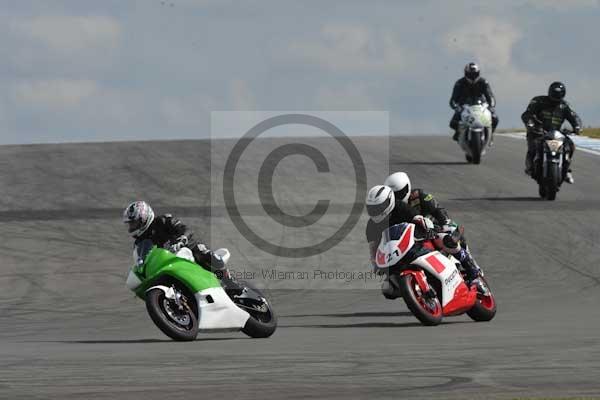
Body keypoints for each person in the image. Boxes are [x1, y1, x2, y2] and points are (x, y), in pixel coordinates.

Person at [365, 173, 481, 297]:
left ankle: (471, 268)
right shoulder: (371, 226)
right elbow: (374, 248)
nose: (397, 197)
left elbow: (434, 211)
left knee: (448, 236)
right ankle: (414, 292)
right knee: (387, 289)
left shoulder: (416, 198)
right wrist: (376, 264)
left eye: (398, 194)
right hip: (404, 245)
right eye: (372, 208)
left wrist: (444, 223)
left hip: (430, 229)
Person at [122, 201, 242, 295]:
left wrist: (182, 239)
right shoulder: (140, 242)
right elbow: (141, 259)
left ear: (143, 218)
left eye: (134, 223)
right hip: (167, 263)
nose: (132, 227)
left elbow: (185, 229)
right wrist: (140, 267)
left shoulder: (163, 220)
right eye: (130, 224)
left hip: (187, 249)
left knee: (204, 255)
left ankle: (232, 285)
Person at [521, 81, 582, 183]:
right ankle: (530, 167)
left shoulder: (564, 106)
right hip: (538, 132)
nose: (554, 101)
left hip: (557, 134)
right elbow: (527, 114)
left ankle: (567, 169)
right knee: (533, 146)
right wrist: (530, 123)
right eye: (553, 97)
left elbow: (574, 117)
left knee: (571, 146)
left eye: (557, 98)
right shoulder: (538, 101)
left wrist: (577, 126)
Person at [449, 62, 499, 141]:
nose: (472, 77)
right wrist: (456, 107)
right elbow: (453, 100)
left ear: (478, 73)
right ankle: (458, 132)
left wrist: (491, 106)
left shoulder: (483, 82)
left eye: (475, 74)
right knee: (453, 123)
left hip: (481, 106)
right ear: (466, 74)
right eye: (470, 75)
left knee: (495, 119)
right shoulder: (459, 83)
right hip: (464, 107)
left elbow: (490, 96)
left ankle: (490, 134)